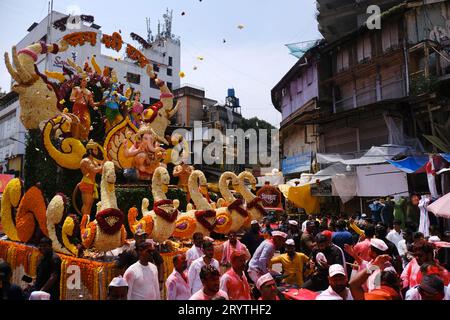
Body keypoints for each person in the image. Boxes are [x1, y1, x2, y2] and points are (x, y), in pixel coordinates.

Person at [69, 74, 99, 140]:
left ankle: (84, 139)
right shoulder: (76, 89)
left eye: (86, 81)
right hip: (77, 108)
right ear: (80, 81)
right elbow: (71, 99)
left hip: (85, 109)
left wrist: (100, 103)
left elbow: (92, 103)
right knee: (76, 123)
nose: (84, 82)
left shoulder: (89, 92)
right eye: (83, 80)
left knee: (87, 123)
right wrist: (77, 98)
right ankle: (75, 138)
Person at [79, 140, 103, 218]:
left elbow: (100, 171)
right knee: (86, 205)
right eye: (95, 149)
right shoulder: (86, 161)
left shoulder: (94, 161)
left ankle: (87, 221)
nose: (96, 151)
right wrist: (102, 165)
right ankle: (84, 223)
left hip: (92, 184)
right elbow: (95, 170)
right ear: (90, 151)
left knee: (89, 205)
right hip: (86, 183)